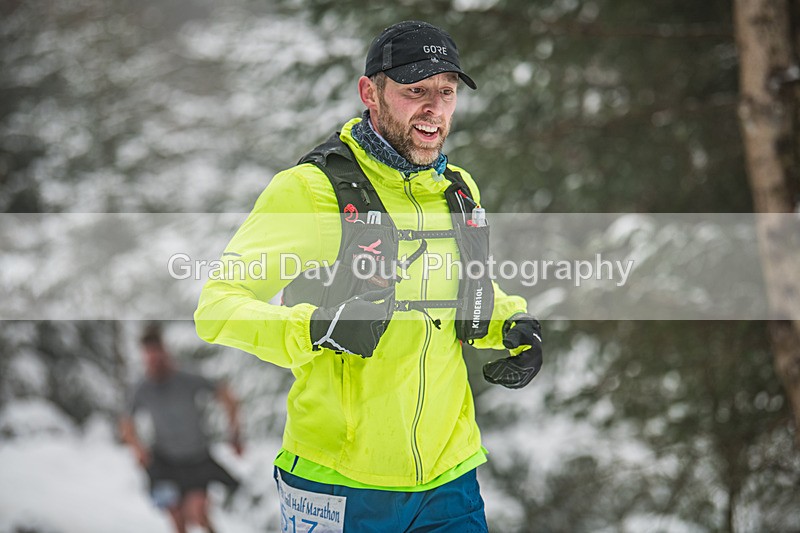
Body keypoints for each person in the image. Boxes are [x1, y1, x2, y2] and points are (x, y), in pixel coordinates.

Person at [194, 20, 543, 532]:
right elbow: (218, 306)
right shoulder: (311, 191)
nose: (434, 108)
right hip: (340, 481)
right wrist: (313, 329)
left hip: (449, 480)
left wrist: (510, 323)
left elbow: (461, 290)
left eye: (445, 92)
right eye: (414, 91)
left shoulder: (457, 189)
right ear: (370, 92)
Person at [120, 324, 243, 533]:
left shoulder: (187, 378)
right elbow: (126, 422)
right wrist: (137, 448)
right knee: (177, 519)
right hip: (165, 461)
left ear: (165, 352)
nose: (154, 362)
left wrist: (235, 434)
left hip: (196, 459)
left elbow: (227, 396)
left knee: (199, 514)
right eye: (149, 358)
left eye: (157, 356)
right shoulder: (142, 388)